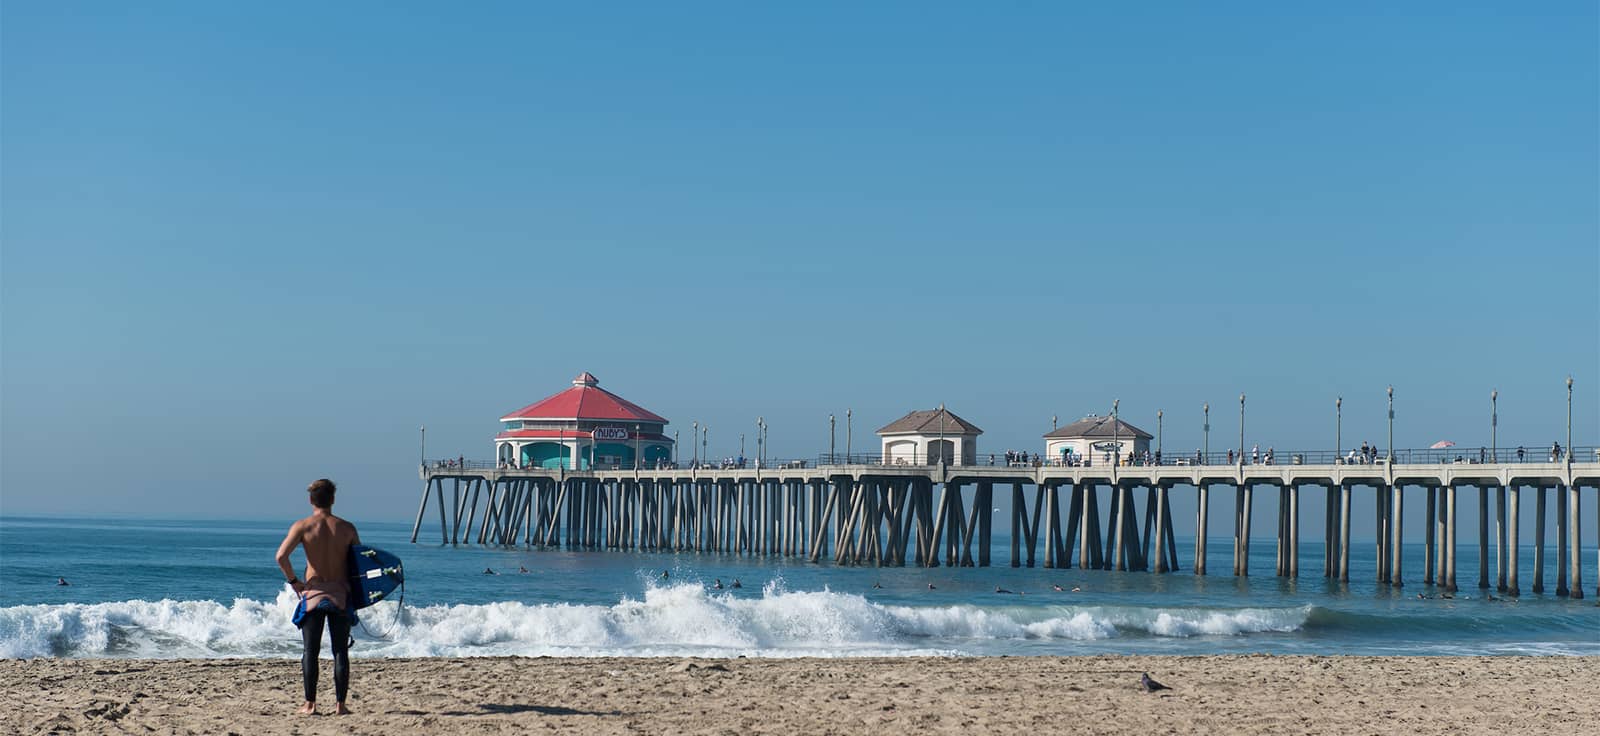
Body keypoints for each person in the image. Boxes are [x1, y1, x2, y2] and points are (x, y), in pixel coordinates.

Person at [275, 479, 360, 716]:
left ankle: (310, 705)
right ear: (332, 499)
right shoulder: (347, 528)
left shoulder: (302, 526)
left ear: (311, 500)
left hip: (312, 594)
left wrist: (294, 582)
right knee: (340, 651)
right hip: (340, 595)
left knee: (310, 651)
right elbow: (359, 565)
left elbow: (281, 556)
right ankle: (340, 705)